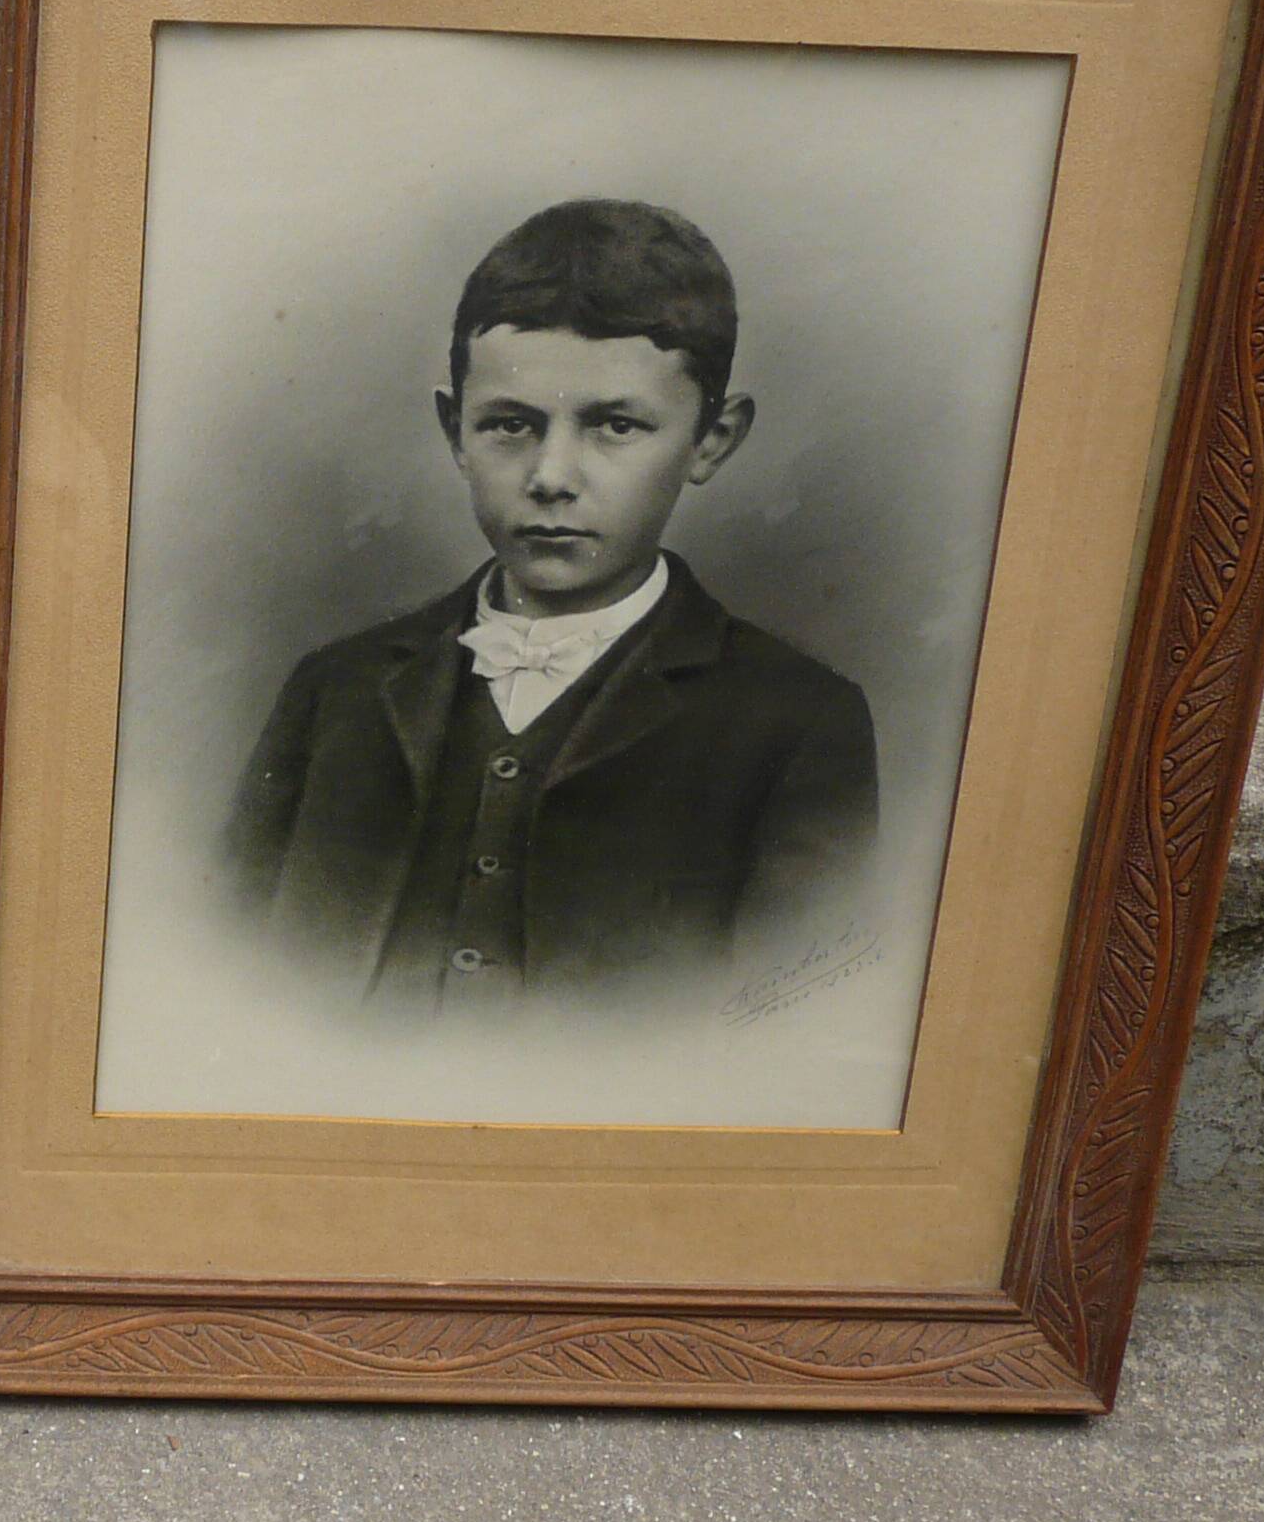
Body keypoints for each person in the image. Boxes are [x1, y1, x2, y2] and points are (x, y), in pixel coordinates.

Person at [221, 197, 874, 1004]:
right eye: (509, 424)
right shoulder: (334, 691)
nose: (551, 477)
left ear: (711, 440)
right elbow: (225, 983)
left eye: (616, 426)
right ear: (454, 430)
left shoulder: (798, 723)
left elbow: (791, 1025)